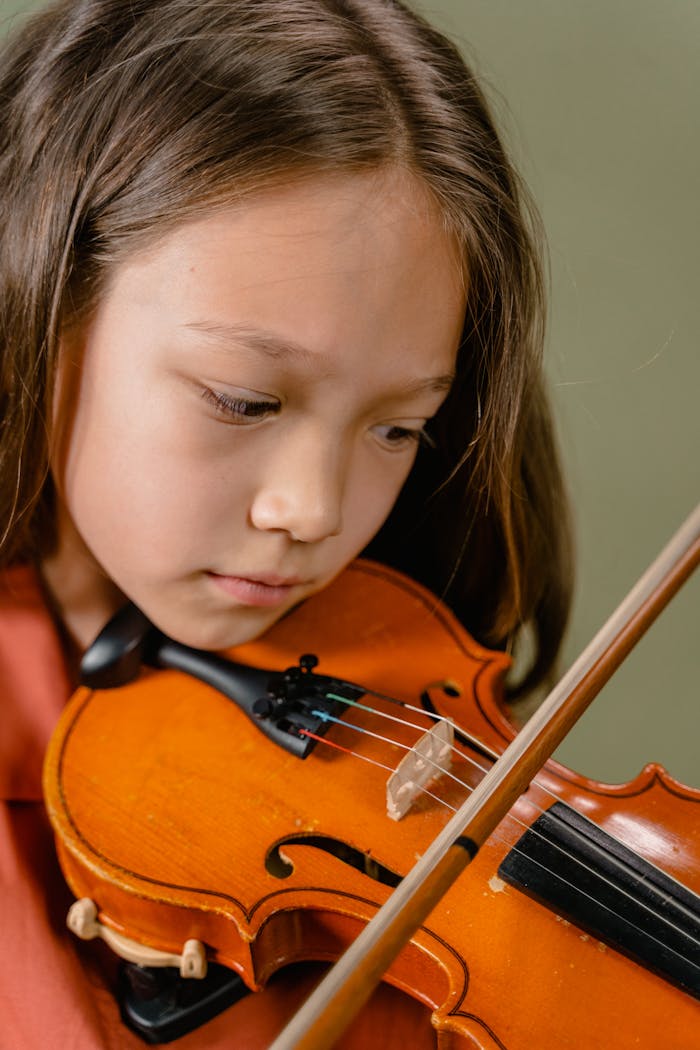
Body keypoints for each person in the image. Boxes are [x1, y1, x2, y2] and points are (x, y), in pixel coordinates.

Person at [0, 0, 573, 1046]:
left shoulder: (396, 725)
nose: (312, 513)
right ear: (39, 303)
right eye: (242, 399)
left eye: (399, 428)